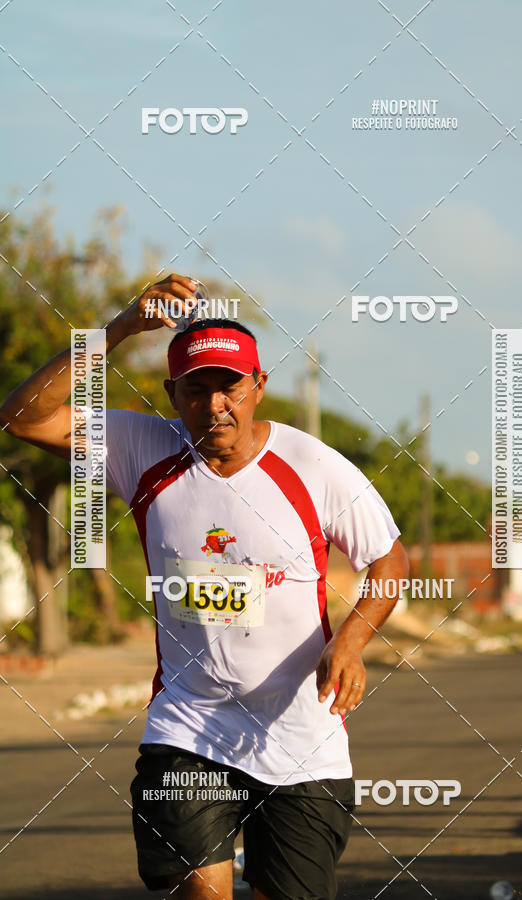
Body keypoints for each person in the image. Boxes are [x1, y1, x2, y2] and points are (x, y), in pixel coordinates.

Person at [0, 273, 409, 900]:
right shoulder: (142, 449)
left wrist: (352, 641)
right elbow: (24, 418)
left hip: (303, 736)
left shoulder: (315, 469)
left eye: (230, 387)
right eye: (197, 389)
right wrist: (121, 328)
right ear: (173, 394)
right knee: (202, 890)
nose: (215, 404)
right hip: (190, 726)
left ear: (258, 388)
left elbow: (389, 562)